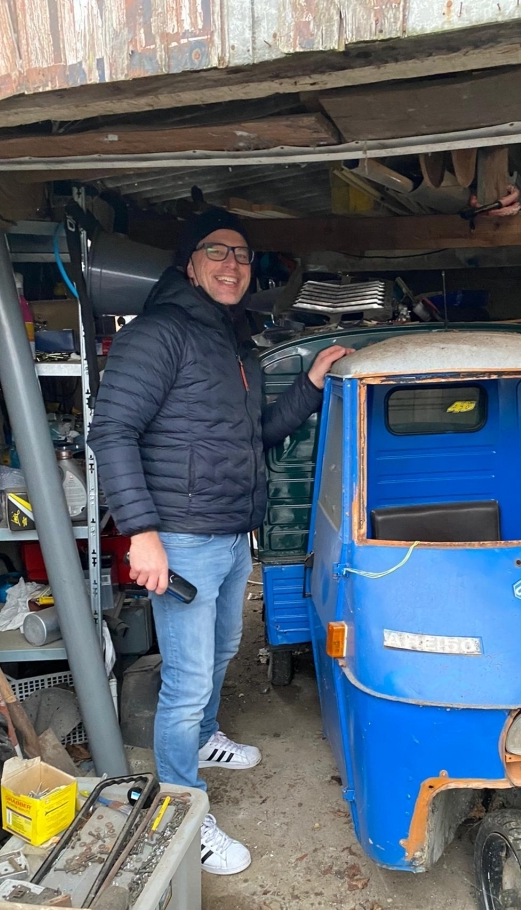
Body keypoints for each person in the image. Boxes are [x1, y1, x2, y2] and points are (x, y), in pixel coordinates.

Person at [88, 209, 350, 874]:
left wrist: (311, 384)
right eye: (217, 252)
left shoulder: (234, 344)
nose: (233, 265)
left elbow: (255, 435)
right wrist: (141, 534)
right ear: (190, 263)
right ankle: (182, 815)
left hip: (232, 534)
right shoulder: (159, 332)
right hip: (180, 536)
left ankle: (204, 739)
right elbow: (112, 431)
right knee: (185, 682)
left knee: (223, 651)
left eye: (242, 254)